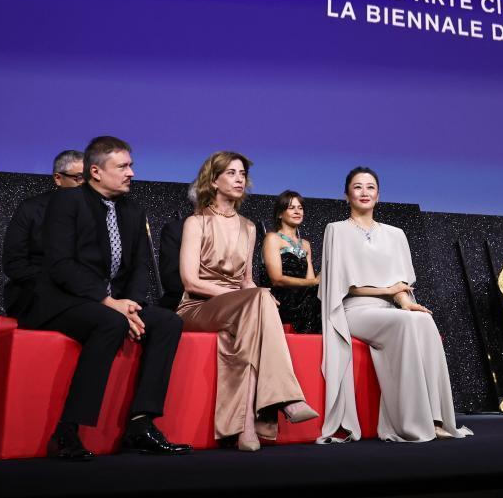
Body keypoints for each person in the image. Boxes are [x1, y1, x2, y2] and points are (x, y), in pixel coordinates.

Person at [30, 136, 191, 460]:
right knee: (110, 324)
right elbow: (61, 265)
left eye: (131, 165)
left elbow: (140, 265)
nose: (131, 173)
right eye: (123, 166)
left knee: (167, 322)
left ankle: (141, 424)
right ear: (96, 172)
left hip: (116, 303)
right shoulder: (67, 202)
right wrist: (108, 302)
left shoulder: (133, 210)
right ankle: (67, 431)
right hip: (67, 300)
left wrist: (130, 304)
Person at [319, 167, 472, 443]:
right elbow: (341, 285)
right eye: (357, 187)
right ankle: (413, 423)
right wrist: (388, 291)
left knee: (423, 320)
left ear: (378, 195)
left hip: (390, 308)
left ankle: (436, 418)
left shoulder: (395, 234)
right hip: (356, 309)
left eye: (370, 187)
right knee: (404, 324)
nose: (364, 192)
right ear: (346, 195)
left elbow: (401, 282)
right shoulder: (336, 230)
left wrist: (405, 302)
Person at [177, 151, 317, 451]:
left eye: (242, 174)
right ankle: (285, 399)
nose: (239, 179)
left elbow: (246, 281)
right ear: (213, 181)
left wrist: (257, 295)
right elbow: (190, 282)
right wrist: (249, 297)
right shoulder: (196, 223)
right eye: (231, 173)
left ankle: (245, 429)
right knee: (258, 299)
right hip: (199, 306)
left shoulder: (249, 227)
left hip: (240, 307)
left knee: (259, 304)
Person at [2, 149, 84, 320]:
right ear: (58, 178)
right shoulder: (30, 209)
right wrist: (62, 281)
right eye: (79, 178)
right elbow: (14, 264)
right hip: (35, 292)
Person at [261, 190, 320, 333]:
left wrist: (319, 281)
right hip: (281, 299)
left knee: (322, 296)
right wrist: (314, 282)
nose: (297, 211)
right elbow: (276, 279)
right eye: (291, 207)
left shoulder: (305, 244)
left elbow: (310, 280)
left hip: (303, 298)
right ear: (280, 214)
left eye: (300, 208)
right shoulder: (272, 238)